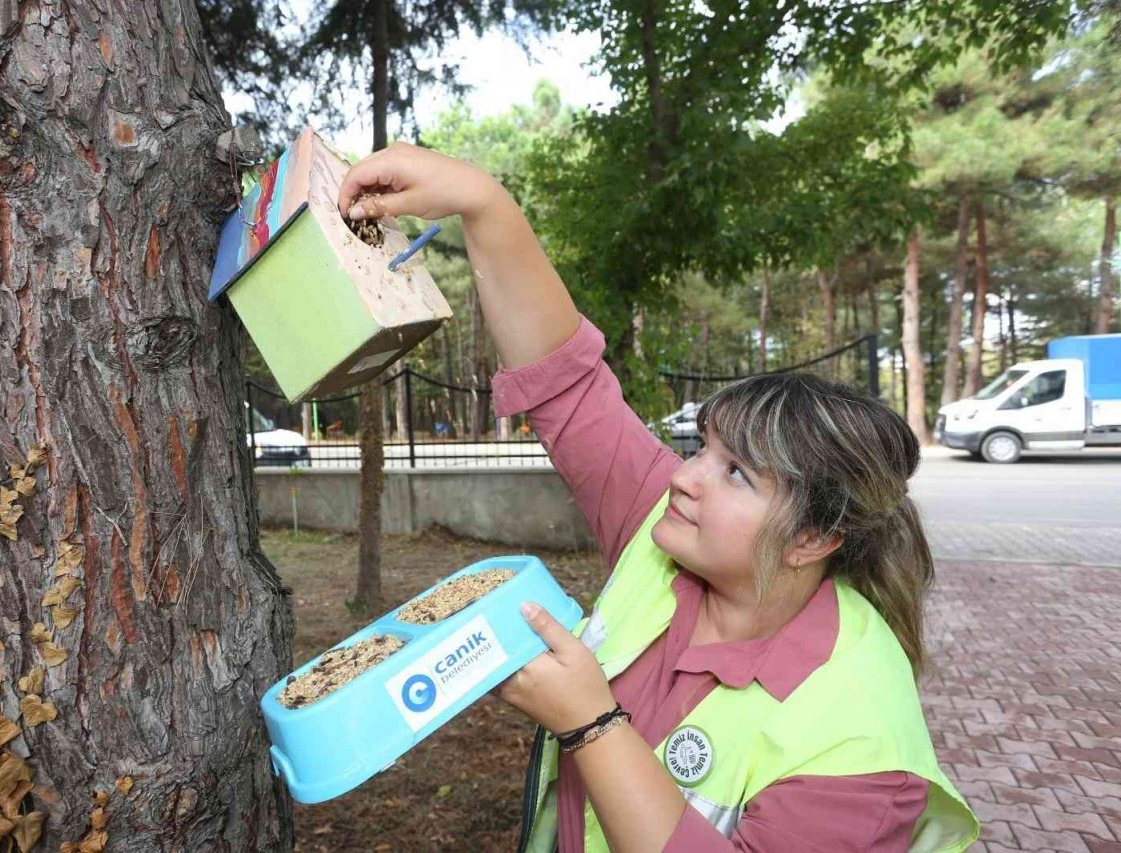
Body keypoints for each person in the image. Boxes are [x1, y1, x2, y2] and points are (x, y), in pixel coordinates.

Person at [338, 144, 978, 853]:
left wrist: (590, 723)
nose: (683, 477)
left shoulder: (862, 734)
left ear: (814, 537)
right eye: (703, 447)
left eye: (736, 472)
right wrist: (483, 204)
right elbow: (566, 384)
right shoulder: (668, 532)